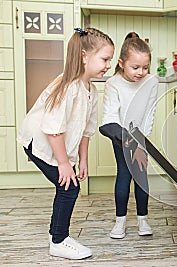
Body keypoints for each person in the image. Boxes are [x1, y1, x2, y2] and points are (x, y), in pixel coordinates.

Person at [16, 27, 114, 259]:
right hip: (38, 140)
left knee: (68, 184)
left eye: (110, 60)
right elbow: (53, 130)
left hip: (54, 140)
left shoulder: (91, 90)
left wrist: (82, 161)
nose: (108, 65)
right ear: (84, 56)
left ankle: (57, 237)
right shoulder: (68, 86)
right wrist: (63, 164)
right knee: (68, 186)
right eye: (105, 59)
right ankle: (58, 240)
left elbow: (85, 131)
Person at [101, 34, 158, 239]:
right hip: (120, 135)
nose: (141, 72)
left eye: (145, 67)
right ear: (121, 63)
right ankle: (120, 222)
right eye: (135, 67)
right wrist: (126, 140)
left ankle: (143, 220)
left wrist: (142, 140)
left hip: (140, 137)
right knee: (124, 175)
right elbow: (110, 117)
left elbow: (150, 112)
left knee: (141, 177)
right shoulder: (113, 84)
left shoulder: (151, 81)